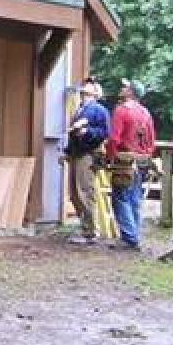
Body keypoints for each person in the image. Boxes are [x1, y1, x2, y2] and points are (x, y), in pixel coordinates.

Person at [106, 78, 156, 251]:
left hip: (124, 162)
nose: (122, 88)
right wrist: (146, 157)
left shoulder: (121, 111)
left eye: (125, 87)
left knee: (120, 198)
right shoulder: (146, 112)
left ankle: (129, 238)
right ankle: (134, 235)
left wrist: (110, 157)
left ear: (131, 92)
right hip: (142, 161)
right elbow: (151, 141)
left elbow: (113, 138)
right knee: (134, 199)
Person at [64, 78, 110, 244]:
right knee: (75, 193)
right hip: (77, 153)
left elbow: (104, 132)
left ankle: (90, 232)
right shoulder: (80, 110)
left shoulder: (99, 110)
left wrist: (87, 132)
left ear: (95, 92)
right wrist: (67, 152)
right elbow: (72, 134)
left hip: (88, 154)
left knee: (85, 192)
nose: (85, 87)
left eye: (89, 85)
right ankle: (85, 227)